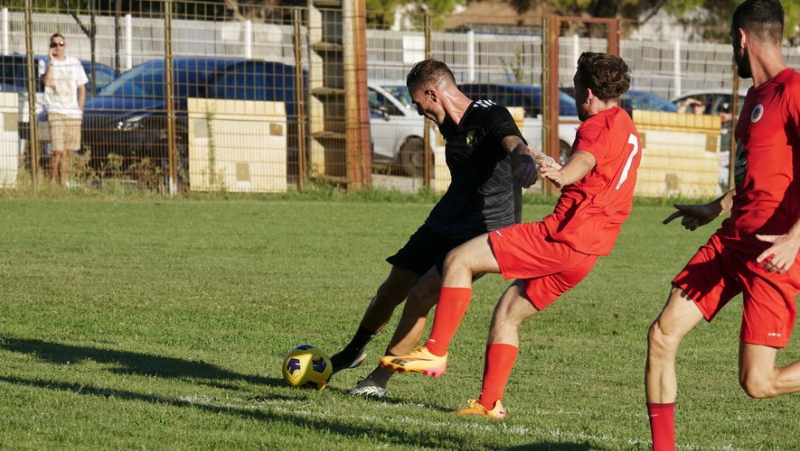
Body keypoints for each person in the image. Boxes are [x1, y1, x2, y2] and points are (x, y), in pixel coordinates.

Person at [382, 52, 641, 419]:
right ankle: (489, 404)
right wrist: (559, 166)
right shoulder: (627, 126)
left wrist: (565, 174)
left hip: (563, 237)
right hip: (589, 252)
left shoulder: (596, 125)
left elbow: (585, 160)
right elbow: (598, 168)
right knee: (507, 313)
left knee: (459, 259)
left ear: (586, 93)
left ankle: (436, 349)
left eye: (574, 86)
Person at [330, 58, 545, 398]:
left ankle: (378, 380)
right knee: (390, 290)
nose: (420, 114)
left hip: (484, 228)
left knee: (421, 295)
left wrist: (527, 162)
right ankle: (353, 351)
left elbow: (515, 144)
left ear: (432, 93)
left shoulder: (490, 115)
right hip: (447, 216)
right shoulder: (448, 123)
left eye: (419, 105)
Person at [645, 1, 800, 449]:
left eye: (730, 44)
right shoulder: (755, 96)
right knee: (661, 333)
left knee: (758, 383)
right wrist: (717, 205)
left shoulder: (792, 89)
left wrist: (794, 239)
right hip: (731, 240)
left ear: (741, 39)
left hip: (773, 250)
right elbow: (762, 176)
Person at [39, 33, 88, 186]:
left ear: (65, 45)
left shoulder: (74, 63)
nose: (58, 47)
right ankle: (52, 181)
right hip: (55, 110)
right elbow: (46, 82)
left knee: (68, 152)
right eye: (54, 44)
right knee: (57, 150)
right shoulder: (44, 63)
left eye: (61, 44)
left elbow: (82, 88)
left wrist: (80, 110)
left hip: (73, 112)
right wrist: (51, 62)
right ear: (50, 47)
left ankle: (63, 182)